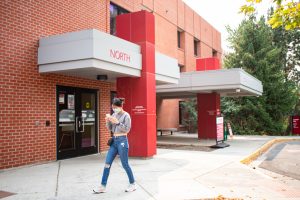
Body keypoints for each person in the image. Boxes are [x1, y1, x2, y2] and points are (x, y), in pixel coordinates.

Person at [93, 98, 136, 193]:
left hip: (122, 141)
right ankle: (102, 186)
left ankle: (132, 184)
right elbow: (110, 129)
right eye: (112, 107)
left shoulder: (126, 115)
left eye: (115, 107)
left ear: (120, 107)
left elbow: (127, 129)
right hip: (114, 141)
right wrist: (107, 121)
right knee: (107, 163)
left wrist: (117, 122)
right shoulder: (114, 114)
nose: (113, 109)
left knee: (125, 164)